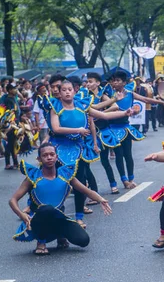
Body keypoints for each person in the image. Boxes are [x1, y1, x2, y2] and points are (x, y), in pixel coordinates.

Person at [49, 80, 132, 227]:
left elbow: (103, 116)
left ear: (74, 91)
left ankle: (79, 217)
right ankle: (56, 215)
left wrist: (125, 112)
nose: (67, 92)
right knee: (60, 183)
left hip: (79, 148)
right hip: (60, 149)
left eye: (70, 89)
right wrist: (78, 130)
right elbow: (56, 129)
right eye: (64, 90)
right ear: (60, 93)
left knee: (80, 183)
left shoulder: (81, 105)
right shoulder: (55, 107)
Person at [9, 143, 112, 255]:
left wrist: (101, 199)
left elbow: (87, 191)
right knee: (47, 209)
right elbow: (13, 200)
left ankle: (60, 235)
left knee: (83, 240)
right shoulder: (33, 177)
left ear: (56, 157)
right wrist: (21, 215)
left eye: (52, 154)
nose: (49, 157)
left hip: (58, 219)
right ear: (39, 159)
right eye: (45, 155)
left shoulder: (65, 175)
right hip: (37, 221)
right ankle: (41, 242)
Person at [103, 71, 164, 189]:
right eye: (114, 80)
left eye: (118, 80)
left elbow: (146, 100)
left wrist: (162, 102)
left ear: (124, 83)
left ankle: (131, 178)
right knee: (119, 155)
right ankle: (124, 181)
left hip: (126, 127)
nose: (115, 83)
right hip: (113, 128)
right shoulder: (109, 95)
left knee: (128, 155)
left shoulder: (130, 94)